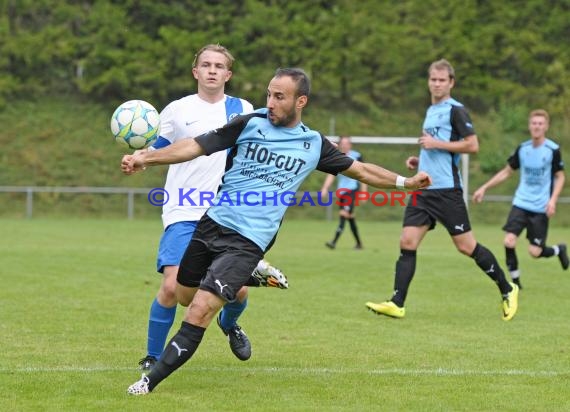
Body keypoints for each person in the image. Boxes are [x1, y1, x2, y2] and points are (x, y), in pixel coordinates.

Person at [122, 67, 431, 395]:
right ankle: (249, 278)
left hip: (249, 240)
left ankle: (147, 383)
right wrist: (149, 158)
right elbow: (195, 146)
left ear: (301, 101)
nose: (270, 102)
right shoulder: (249, 123)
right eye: (269, 94)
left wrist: (405, 183)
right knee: (184, 296)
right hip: (212, 223)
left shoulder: (313, 144)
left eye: (279, 97)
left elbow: (362, 170)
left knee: (200, 311)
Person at [136, 44, 289, 372]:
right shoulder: (177, 110)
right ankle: (152, 356)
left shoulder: (242, 109)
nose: (212, 70)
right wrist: (137, 158)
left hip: (226, 213)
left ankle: (229, 324)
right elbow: (157, 148)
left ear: (228, 74)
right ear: (196, 72)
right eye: (205, 64)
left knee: (239, 293)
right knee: (173, 289)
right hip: (183, 209)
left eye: (219, 66)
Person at [365, 59, 519, 321]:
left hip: (447, 191)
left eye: (441, 80)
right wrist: (419, 161)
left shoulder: (455, 110)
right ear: (429, 82)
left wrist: (436, 144)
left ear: (451, 83)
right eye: (433, 80)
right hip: (424, 188)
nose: (436, 84)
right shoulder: (431, 111)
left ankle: (508, 288)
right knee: (407, 242)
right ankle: (397, 303)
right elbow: (436, 150)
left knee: (466, 246)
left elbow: (472, 145)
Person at [472, 109, 568, 289]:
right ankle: (515, 283)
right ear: (529, 126)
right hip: (521, 203)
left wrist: (553, 200)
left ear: (546, 126)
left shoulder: (552, 150)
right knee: (508, 241)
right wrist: (484, 187)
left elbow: (560, 176)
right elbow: (507, 172)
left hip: (540, 207)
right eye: (534, 123)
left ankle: (558, 250)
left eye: (540, 123)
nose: (537, 126)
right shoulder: (523, 149)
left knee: (535, 252)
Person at [321, 136, 367, 250]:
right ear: (340, 144)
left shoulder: (357, 156)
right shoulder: (335, 156)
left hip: (352, 190)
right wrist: (325, 188)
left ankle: (333, 242)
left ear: (350, 145)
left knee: (343, 215)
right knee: (350, 217)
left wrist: (363, 191)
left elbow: (364, 175)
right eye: (343, 143)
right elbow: (331, 174)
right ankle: (359, 244)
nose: (345, 145)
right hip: (341, 192)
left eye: (347, 143)